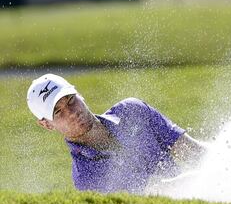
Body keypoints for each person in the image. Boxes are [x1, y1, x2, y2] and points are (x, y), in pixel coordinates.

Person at [27, 74, 205, 193]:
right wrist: (213, 174)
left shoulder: (133, 110)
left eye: (71, 100)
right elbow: (160, 193)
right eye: (58, 112)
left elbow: (193, 151)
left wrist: (225, 159)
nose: (72, 112)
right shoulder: (86, 178)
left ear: (79, 94)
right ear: (46, 125)